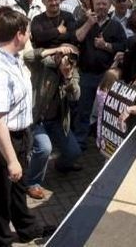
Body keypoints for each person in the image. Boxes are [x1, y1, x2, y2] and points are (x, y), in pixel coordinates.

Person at [0, 8, 49, 246]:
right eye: (27, 31)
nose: (29, 35)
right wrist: (11, 159)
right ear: (19, 34)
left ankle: (27, 228)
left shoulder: (12, 57)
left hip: (18, 134)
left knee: (17, 187)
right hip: (0, 139)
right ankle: (1, 240)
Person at [22, 41, 80, 200]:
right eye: (63, 55)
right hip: (37, 119)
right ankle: (32, 182)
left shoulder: (71, 71)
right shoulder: (43, 65)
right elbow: (27, 56)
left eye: (70, 57)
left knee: (74, 152)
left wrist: (67, 76)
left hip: (56, 122)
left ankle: (60, 165)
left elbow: (75, 96)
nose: (66, 60)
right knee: (44, 148)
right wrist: (55, 50)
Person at [72, 0, 127, 149]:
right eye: (98, 4)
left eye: (104, 4)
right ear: (93, 5)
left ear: (110, 5)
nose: (101, 7)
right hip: (87, 74)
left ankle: (104, 141)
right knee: (83, 109)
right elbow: (76, 38)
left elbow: (122, 46)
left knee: (107, 111)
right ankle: (80, 142)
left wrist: (106, 46)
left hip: (106, 75)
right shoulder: (85, 21)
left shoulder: (115, 26)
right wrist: (89, 23)